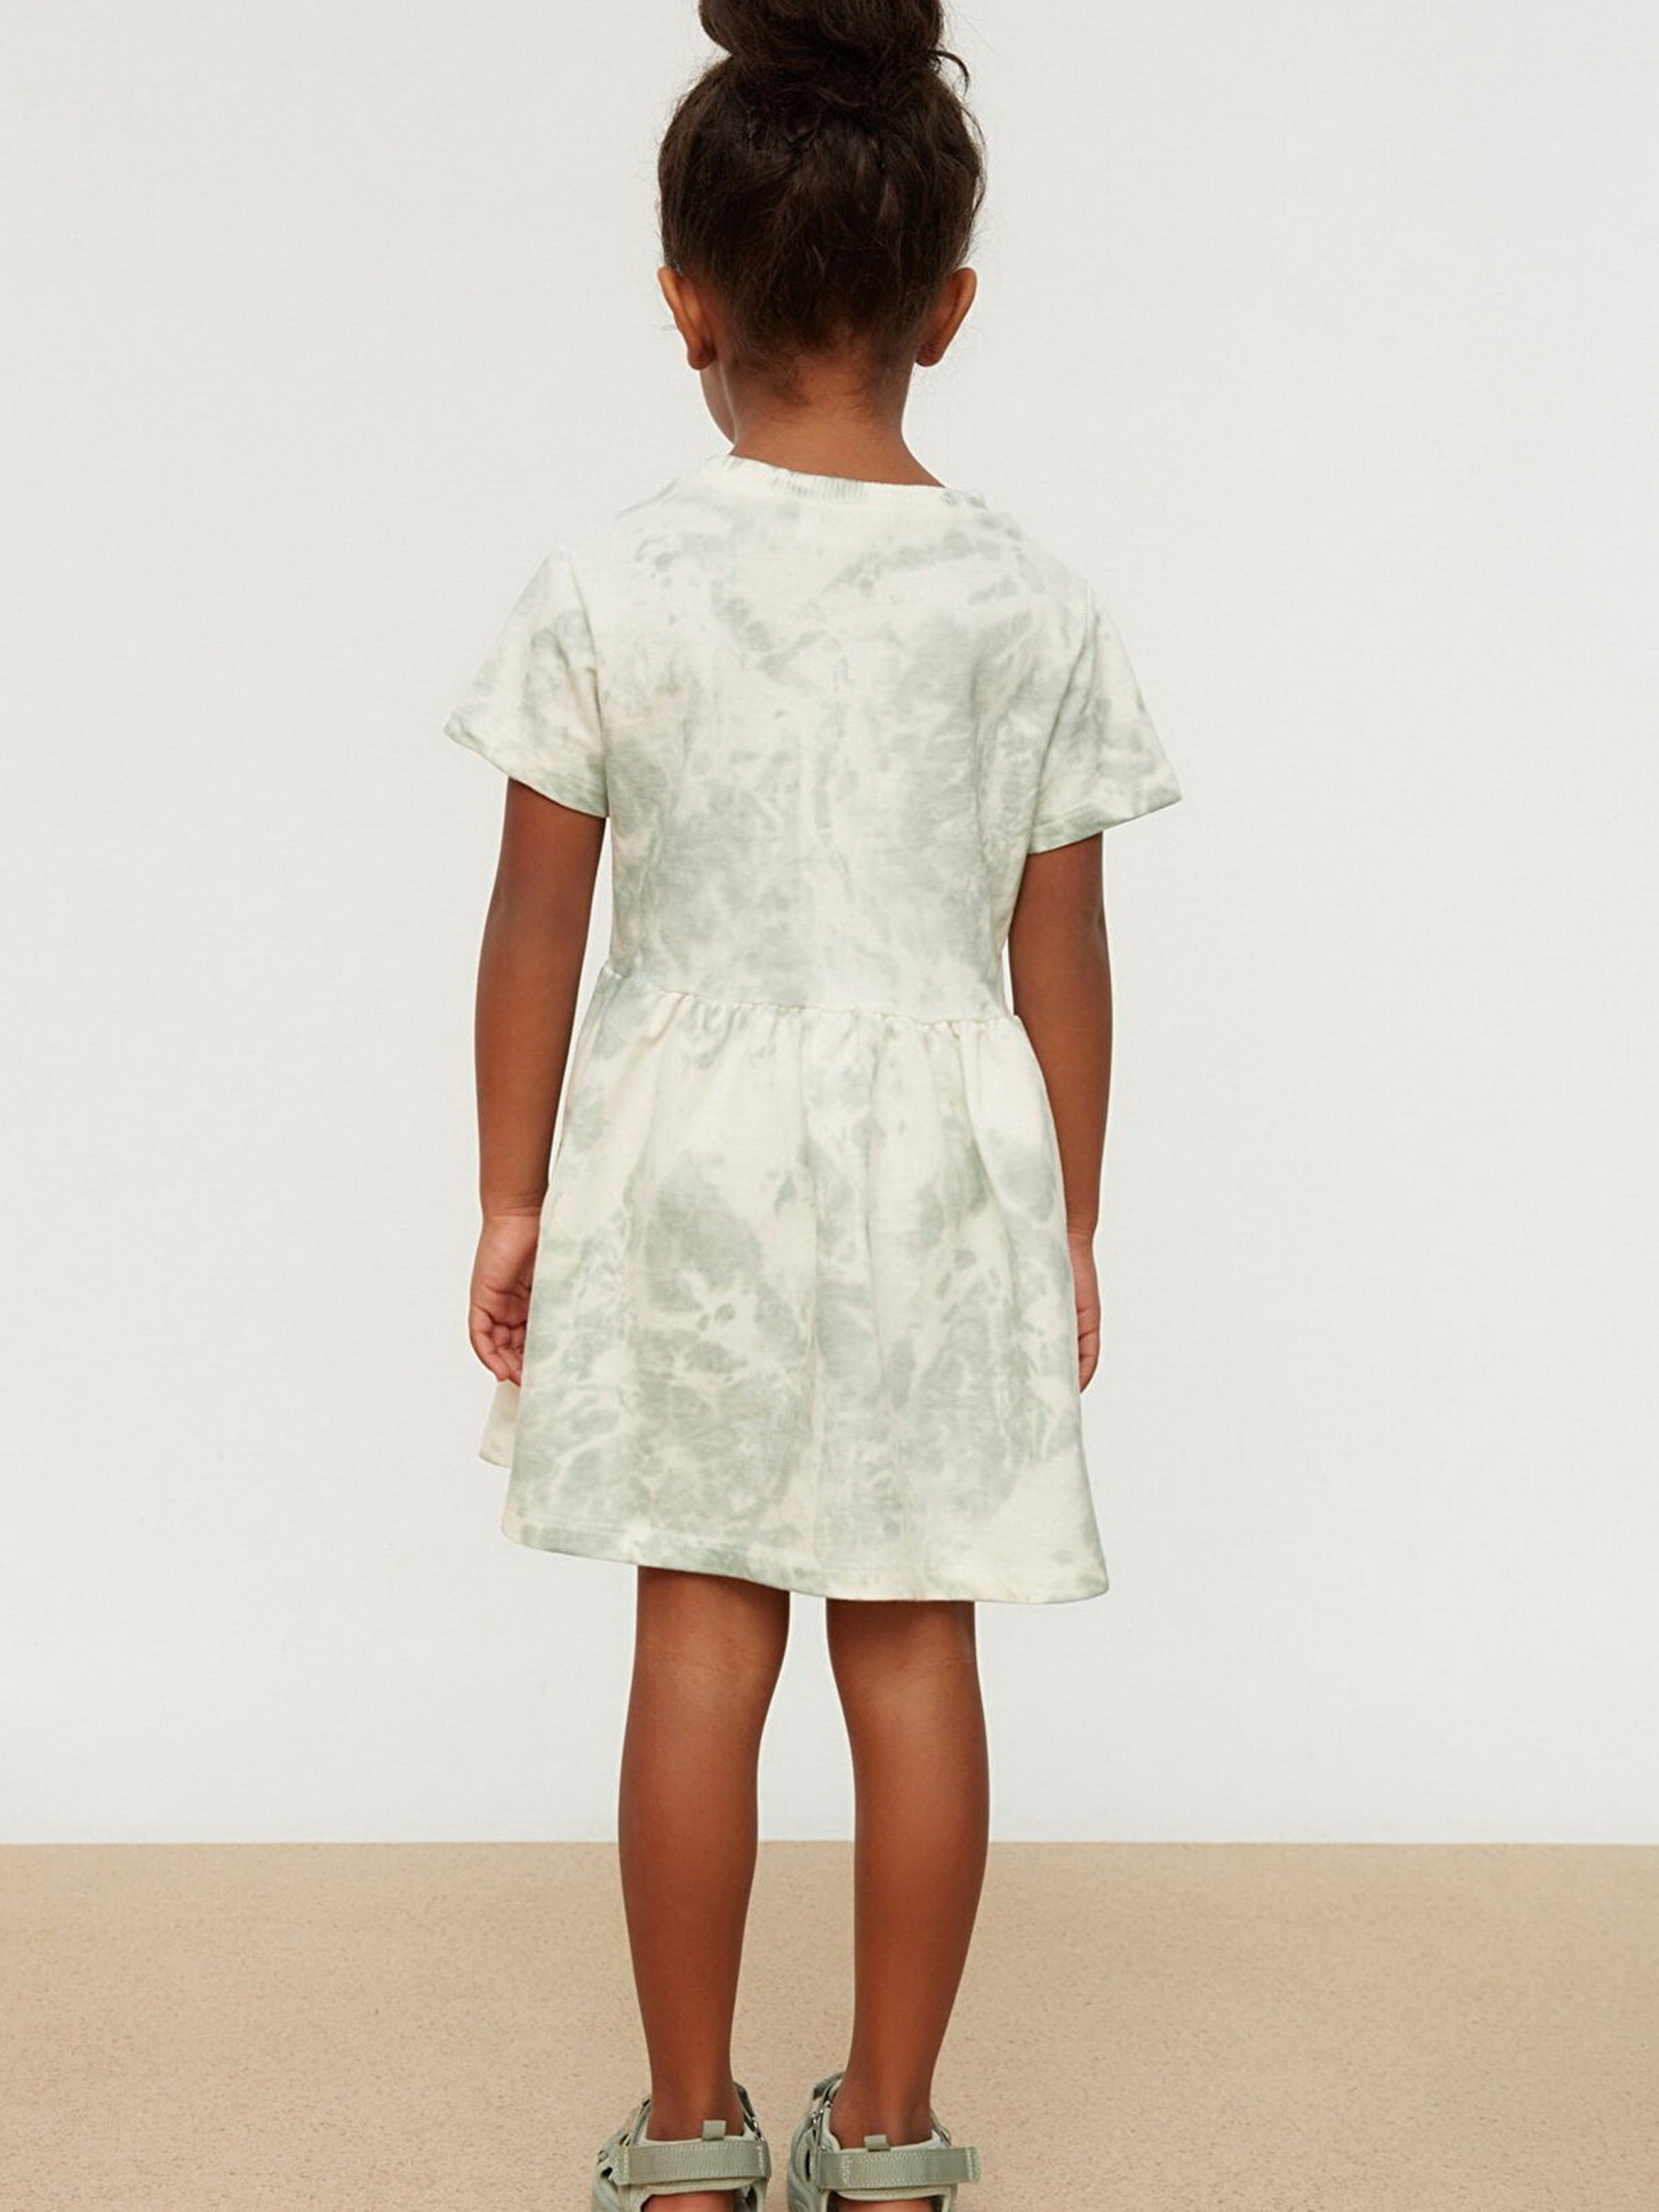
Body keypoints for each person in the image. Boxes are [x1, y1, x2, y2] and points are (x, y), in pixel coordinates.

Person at [442, 3, 1183, 2205]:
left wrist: (508, 1196)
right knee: (915, 1634)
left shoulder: (614, 579)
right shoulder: (1032, 602)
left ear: (684, 295)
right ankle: (889, 2132)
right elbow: (1064, 954)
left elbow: (534, 921)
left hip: (682, 1162)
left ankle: (686, 2134)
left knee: (698, 1630)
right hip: (941, 1164)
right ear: (950, 304)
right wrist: (1064, 1219)